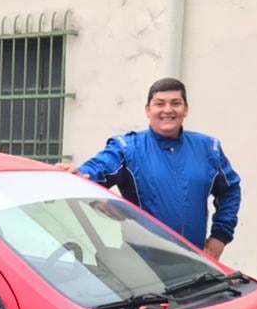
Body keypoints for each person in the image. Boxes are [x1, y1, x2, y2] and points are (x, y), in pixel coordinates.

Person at [61, 78, 241, 260]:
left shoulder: (209, 149)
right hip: (144, 265)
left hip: (196, 263)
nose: (168, 110)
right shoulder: (128, 148)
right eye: (160, 103)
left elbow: (230, 190)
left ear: (185, 110)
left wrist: (220, 235)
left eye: (176, 103)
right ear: (148, 110)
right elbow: (98, 168)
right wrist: (80, 175)